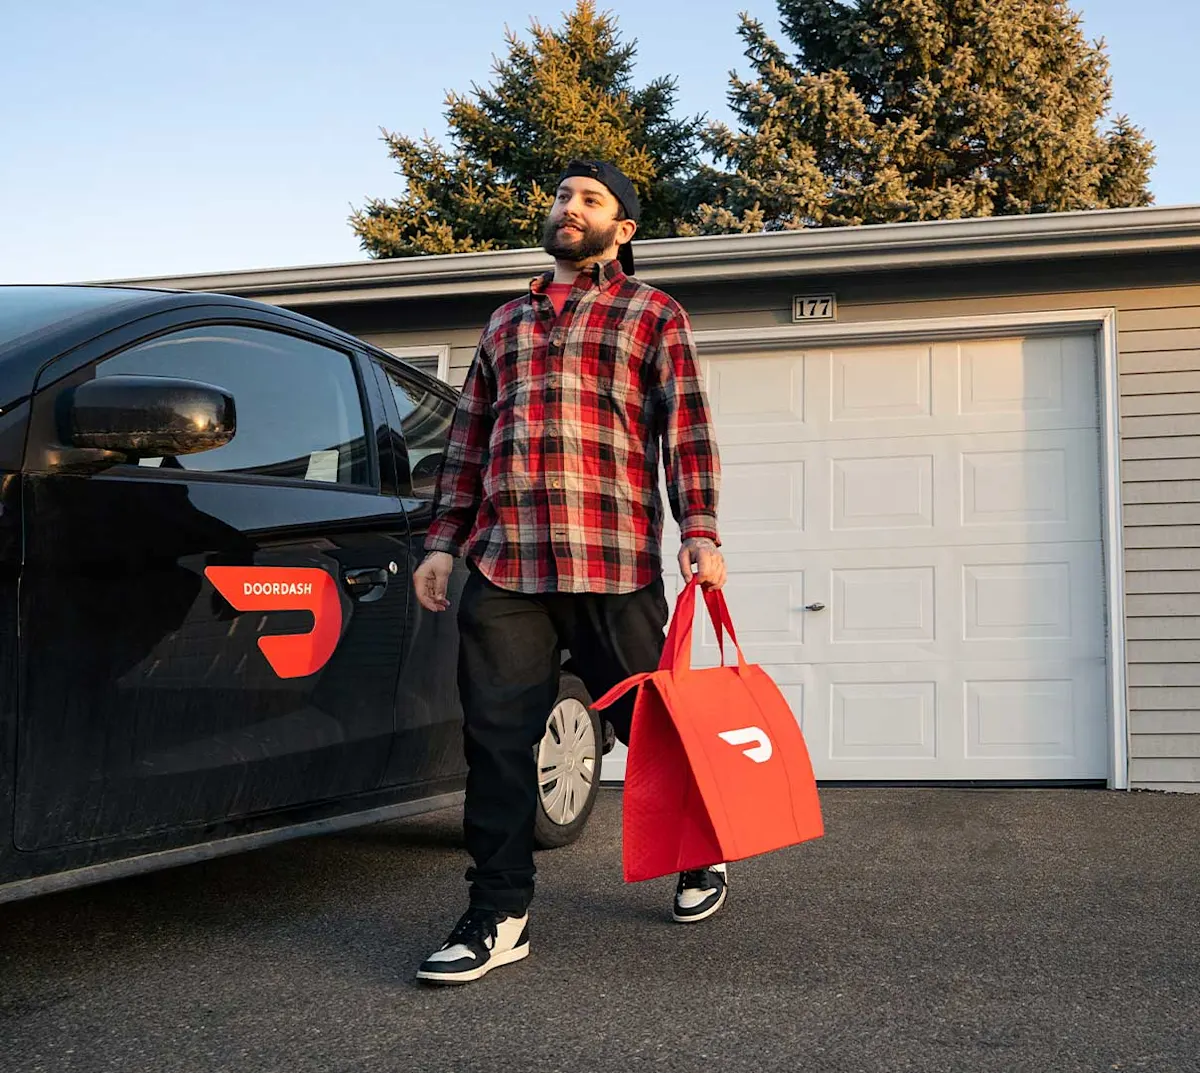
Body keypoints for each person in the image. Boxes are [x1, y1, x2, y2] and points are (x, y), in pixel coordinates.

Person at [412, 160, 727, 985]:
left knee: (652, 728)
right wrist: (443, 541)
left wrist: (699, 528)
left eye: (591, 200)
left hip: (611, 560)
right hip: (507, 562)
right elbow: (468, 439)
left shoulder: (652, 313)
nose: (570, 208)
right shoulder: (505, 322)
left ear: (622, 229)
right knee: (497, 741)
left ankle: (697, 849)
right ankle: (499, 911)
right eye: (562, 196)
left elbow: (686, 429)